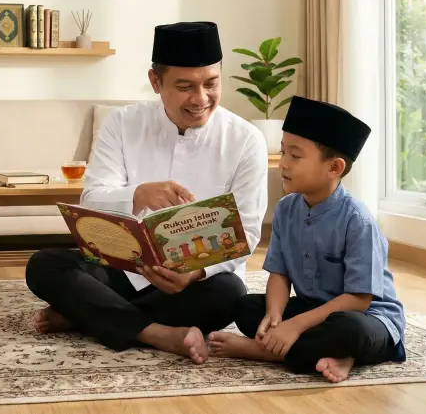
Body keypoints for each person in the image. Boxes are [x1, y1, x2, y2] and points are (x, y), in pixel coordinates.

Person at [25, 21, 268, 364]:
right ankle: (157, 333)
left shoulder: (246, 140)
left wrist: (193, 273)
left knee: (231, 294)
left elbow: (249, 232)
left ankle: (87, 315)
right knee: (45, 265)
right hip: (124, 272)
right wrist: (137, 194)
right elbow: (91, 199)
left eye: (211, 84)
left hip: (195, 284)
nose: (201, 99)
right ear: (156, 82)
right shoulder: (122, 124)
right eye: (185, 86)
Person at [209, 96, 406, 383]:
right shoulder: (286, 209)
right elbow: (279, 273)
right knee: (246, 307)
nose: (283, 164)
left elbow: (360, 300)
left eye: (295, 156)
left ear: (334, 168)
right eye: (283, 151)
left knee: (350, 332)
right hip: (315, 311)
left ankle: (268, 352)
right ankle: (330, 354)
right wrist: (275, 317)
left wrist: (296, 326)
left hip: (366, 318)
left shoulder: (358, 220)